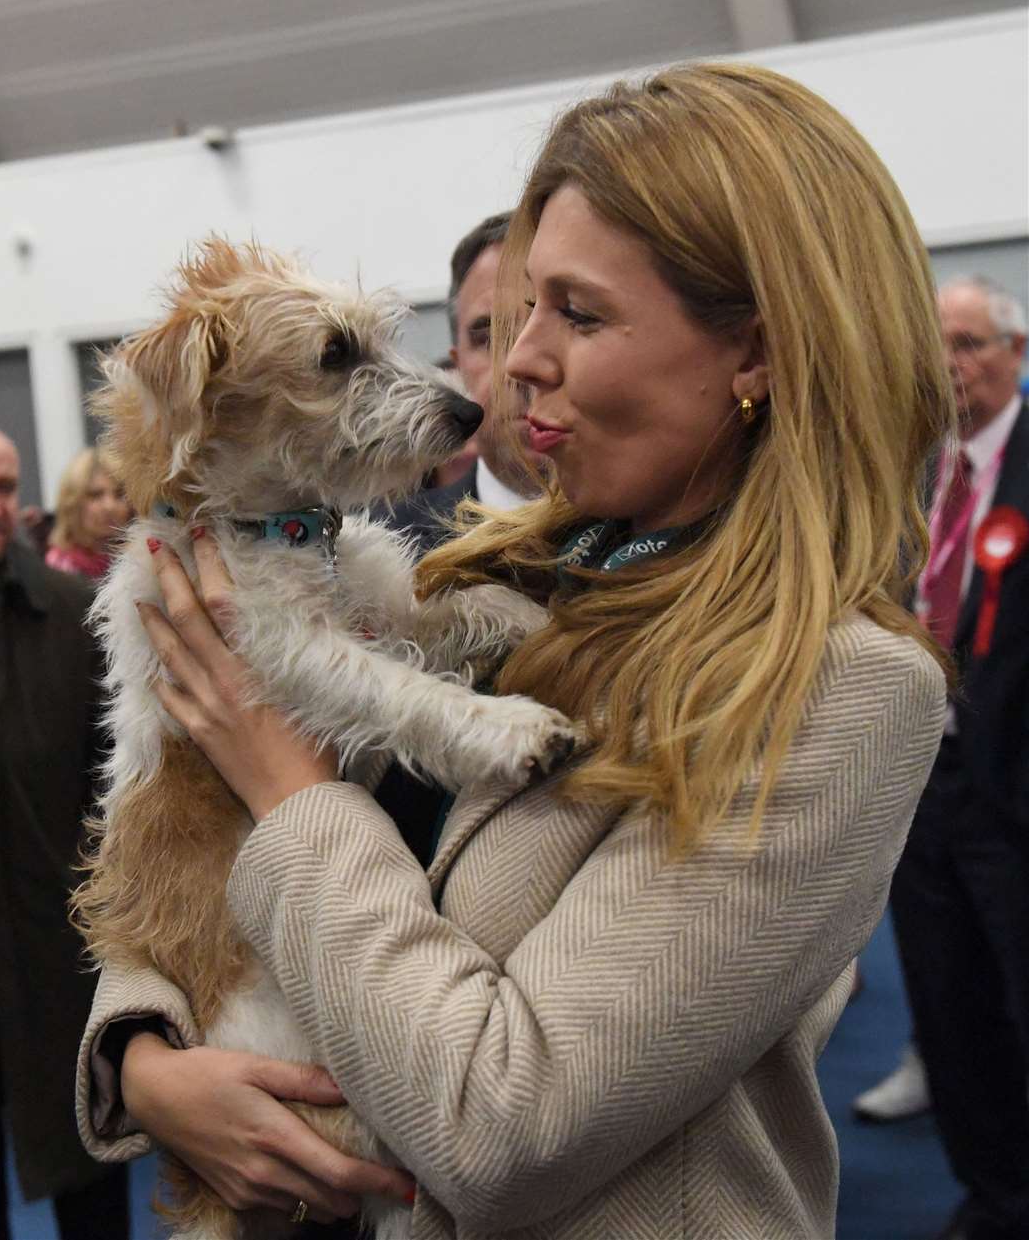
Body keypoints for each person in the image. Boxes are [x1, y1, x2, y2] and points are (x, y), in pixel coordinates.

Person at [76, 64, 952, 1239]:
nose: (513, 363)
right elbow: (166, 830)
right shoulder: (474, 573)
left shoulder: (841, 688)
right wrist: (149, 1057)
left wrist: (287, 787)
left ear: (758, 354)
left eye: (577, 315)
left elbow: (501, 1125)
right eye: (516, 310)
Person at [0, 418, 130, 1238]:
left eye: (5, 487)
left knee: (87, 1186)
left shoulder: (73, 618)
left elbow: (119, 798)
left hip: (51, 962)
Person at [887, 276, 1029, 1240]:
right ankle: (997, 1194)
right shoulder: (912, 474)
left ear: (1016, 353)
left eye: (971, 342)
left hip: (1016, 791)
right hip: (918, 789)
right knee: (949, 1006)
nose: (951, 363)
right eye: (936, 343)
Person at [388, 211, 545, 552]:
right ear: (457, 367)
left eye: (568, 321)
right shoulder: (388, 553)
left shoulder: (675, 539)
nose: (517, 367)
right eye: (487, 338)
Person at [45, 445, 131, 580]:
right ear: (72, 504)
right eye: (95, 495)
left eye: (119, 494)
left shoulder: (142, 563)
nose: (109, 506)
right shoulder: (56, 572)